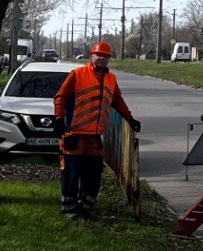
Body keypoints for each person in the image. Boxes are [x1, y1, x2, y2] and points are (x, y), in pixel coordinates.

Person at [52, 42, 140, 219]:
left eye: (105, 55)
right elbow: (60, 96)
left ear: (109, 59)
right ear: (91, 56)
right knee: (71, 173)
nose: (102, 58)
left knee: (93, 175)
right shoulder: (77, 74)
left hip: (94, 136)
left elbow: (117, 101)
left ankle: (85, 207)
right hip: (74, 134)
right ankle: (69, 208)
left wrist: (130, 118)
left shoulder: (111, 79)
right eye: (98, 54)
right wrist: (59, 119)